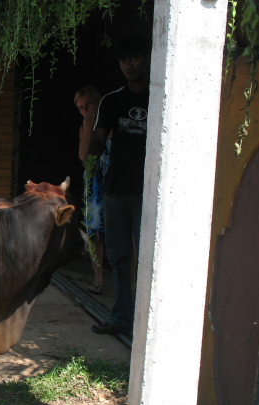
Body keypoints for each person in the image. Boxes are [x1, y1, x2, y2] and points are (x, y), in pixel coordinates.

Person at [86, 34, 150, 338]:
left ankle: (148, 323)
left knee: (148, 260)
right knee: (121, 258)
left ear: (146, 59)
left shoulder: (162, 97)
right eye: (124, 60)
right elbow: (100, 135)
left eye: (134, 58)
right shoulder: (113, 101)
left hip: (148, 194)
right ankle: (123, 318)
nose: (129, 65)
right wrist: (91, 156)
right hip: (115, 191)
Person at [74, 85, 110, 295]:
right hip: (94, 182)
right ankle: (98, 278)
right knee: (94, 231)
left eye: (89, 104)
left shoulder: (112, 121)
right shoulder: (84, 127)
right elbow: (83, 156)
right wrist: (88, 129)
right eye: (81, 107)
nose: (86, 110)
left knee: (119, 231)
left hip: (113, 179)